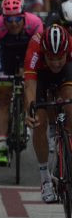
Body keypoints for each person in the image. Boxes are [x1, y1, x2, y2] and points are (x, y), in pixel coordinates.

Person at [0, 0, 42, 165]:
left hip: (28, 52)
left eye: (17, 18)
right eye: (9, 19)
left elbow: (39, 53)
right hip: (6, 54)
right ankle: (2, 145)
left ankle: (24, 118)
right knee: (3, 97)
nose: (13, 23)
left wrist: (31, 73)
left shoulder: (35, 23)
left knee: (28, 88)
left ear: (24, 16)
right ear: (3, 18)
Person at [24, 24, 72, 203]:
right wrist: (30, 110)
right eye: (51, 58)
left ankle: (67, 146)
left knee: (69, 103)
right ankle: (45, 179)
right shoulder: (35, 47)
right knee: (39, 121)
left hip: (67, 74)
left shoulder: (71, 46)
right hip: (40, 77)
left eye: (60, 57)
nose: (56, 62)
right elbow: (29, 85)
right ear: (44, 52)